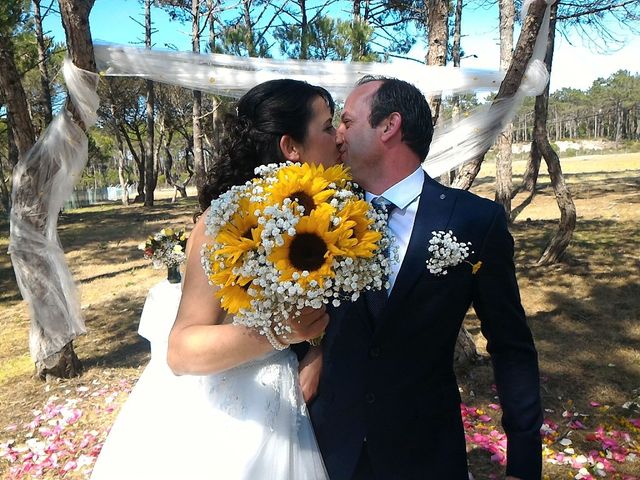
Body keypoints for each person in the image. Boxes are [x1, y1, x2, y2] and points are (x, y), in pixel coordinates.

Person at [90, 79, 337, 480]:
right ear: (291, 147)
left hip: (287, 402)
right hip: (229, 423)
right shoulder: (224, 226)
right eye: (327, 127)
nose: (339, 136)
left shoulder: (329, 215)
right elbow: (181, 350)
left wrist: (320, 351)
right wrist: (277, 332)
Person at [308, 76, 544, 480]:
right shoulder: (315, 213)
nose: (337, 135)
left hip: (425, 451)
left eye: (347, 122)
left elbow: (510, 345)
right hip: (328, 450)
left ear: (389, 126)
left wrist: (523, 462)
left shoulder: (474, 221)